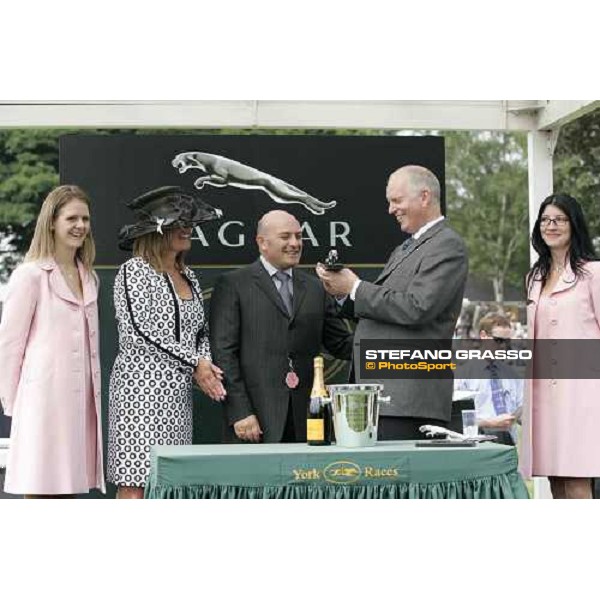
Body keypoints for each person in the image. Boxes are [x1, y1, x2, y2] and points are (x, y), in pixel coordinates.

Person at [317, 165, 468, 440]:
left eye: (396, 201)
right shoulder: (407, 247)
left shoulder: (447, 245)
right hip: (385, 395)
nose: (390, 210)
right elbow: (386, 310)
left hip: (407, 398)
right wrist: (343, 293)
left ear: (424, 197)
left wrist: (356, 287)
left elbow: (417, 307)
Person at [107, 186, 226, 499]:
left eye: (189, 223)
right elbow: (139, 329)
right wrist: (195, 363)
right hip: (139, 391)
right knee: (135, 482)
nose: (187, 229)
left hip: (177, 393)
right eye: (179, 222)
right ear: (156, 230)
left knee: (171, 482)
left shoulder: (190, 276)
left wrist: (204, 364)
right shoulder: (134, 271)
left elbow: (200, 331)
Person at [209, 210, 353, 443]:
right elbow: (224, 354)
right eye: (286, 237)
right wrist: (240, 412)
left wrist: (388, 350)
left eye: (298, 236)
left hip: (308, 417)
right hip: (255, 421)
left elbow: (341, 344)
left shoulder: (316, 288)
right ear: (262, 243)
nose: (295, 243)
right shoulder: (234, 285)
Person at [0, 185, 105, 497]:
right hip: (41, 404)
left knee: (70, 492)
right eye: (72, 218)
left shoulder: (89, 276)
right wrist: (14, 405)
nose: (80, 226)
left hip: (82, 403)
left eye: (85, 219)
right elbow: (8, 345)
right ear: (52, 222)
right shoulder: (30, 275)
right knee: (39, 487)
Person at [523, 193, 600, 499]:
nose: (550, 225)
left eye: (559, 219)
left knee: (577, 478)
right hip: (543, 393)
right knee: (554, 479)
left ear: (573, 224)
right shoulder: (534, 278)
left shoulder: (593, 273)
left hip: (582, 393)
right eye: (545, 220)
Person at [454, 312, 523, 445]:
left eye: (507, 341)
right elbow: (458, 419)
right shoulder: (463, 375)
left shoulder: (512, 376)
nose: (503, 346)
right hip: (478, 442)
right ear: (483, 336)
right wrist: (491, 423)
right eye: (498, 340)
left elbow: (523, 412)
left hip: (508, 442)